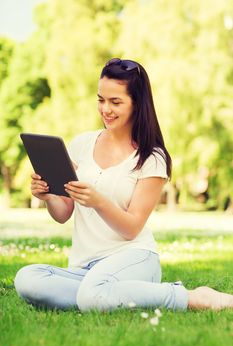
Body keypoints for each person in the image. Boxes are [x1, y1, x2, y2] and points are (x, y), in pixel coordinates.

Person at [14, 58, 233, 311]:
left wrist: (98, 202)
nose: (105, 109)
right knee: (28, 279)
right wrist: (49, 197)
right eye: (101, 100)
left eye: (115, 102)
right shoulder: (81, 144)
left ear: (137, 104)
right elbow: (63, 214)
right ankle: (101, 294)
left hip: (134, 258)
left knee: (91, 295)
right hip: (84, 267)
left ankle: (194, 297)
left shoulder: (152, 158)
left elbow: (131, 228)